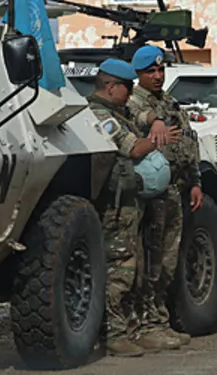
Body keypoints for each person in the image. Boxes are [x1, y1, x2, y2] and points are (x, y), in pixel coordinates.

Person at [87, 59, 180, 357]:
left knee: (135, 268)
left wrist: (155, 121)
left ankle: (131, 328)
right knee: (120, 270)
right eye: (126, 87)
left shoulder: (120, 111)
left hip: (129, 203)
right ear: (111, 86)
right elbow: (134, 148)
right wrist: (157, 140)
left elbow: (141, 115)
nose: (129, 93)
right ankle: (113, 334)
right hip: (115, 208)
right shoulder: (100, 114)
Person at [127, 45, 203, 347]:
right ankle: (145, 325)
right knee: (149, 261)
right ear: (139, 74)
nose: (158, 76)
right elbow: (140, 116)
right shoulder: (134, 101)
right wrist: (154, 120)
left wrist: (195, 181)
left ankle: (159, 319)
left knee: (168, 262)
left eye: (161, 70)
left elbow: (188, 143)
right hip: (150, 193)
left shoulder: (170, 102)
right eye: (151, 71)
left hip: (174, 190)